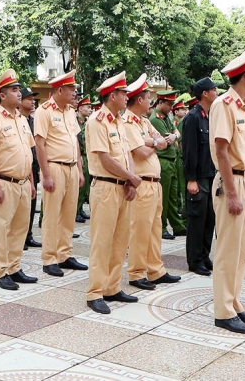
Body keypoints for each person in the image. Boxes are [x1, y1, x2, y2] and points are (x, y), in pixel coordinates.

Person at [209, 47, 245, 334]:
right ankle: (223, 311)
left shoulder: (242, 105)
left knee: (241, 251)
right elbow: (221, 151)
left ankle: (234, 303)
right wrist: (232, 193)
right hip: (231, 181)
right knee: (228, 250)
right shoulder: (224, 105)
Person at [84, 71, 140, 315]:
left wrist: (130, 180)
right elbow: (105, 159)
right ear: (112, 95)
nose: (127, 96)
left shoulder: (118, 121)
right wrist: (131, 177)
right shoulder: (97, 121)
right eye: (123, 93)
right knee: (102, 241)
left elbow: (127, 154)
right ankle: (95, 292)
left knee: (120, 240)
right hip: (105, 186)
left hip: (122, 186)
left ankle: (112, 286)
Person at [0, 70, 38, 291]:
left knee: (20, 228)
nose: (19, 93)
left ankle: (15, 267)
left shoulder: (22, 120)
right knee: (0, 229)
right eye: (14, 90)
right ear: (3, 95)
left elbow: (28, 152)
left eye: (18, 89)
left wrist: (31, 181)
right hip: (4, 182)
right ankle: (0, 272)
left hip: (23, 182)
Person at [123, 74, 180, 290]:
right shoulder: (128, 122)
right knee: (140, 229)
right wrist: (155, 142)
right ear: (139, 100)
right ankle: (136, 272)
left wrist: (152, 142)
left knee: (155, 228)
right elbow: (141, 152)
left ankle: (156, 270)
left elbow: (163, 142)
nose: (151, 102)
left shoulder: (144, 121)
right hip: (142, 183)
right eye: (148, 98)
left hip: (155, 183)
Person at [34, 70, 88, 277]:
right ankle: (49, 258)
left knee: (68, 213)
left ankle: (65, 254)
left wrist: (79, 170)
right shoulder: (44, 111)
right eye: (71, 88)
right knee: (52, 214)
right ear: (59, 90)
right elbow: (40, 144)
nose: (74, 92)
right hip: (54, 166)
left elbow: (75, 142)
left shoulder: (70, 111)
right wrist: (46, 175)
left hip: (72, 167)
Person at [180, 77, 219, 276]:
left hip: (211, 175)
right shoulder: (193, 117)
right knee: (197, 220)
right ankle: (195, 260)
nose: (217, 93)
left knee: (209, 219)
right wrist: (191, 179)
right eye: (214, 90)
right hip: (198, 177)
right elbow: (189, 151)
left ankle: (204, 255)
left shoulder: (209, 116)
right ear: (205, 94)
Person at [150, 90, 186, 240]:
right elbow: (166, 141)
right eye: (169, 104)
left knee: (172, 197)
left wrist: (174, 136)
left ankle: (177, 226)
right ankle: (162, 226)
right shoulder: (156, 119)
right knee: (163, 197)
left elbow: (176, 134)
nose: (171, 108)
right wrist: (174, 137)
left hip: (171, 161)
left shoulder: (165, 117)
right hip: (163, 160)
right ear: (160, 103)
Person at [19, 87, 43, 249]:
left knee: (31, 203)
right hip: (20, 168)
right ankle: (19, 237)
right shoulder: (17, 120)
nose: (33, 101)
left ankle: (28, 235)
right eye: (29, 99)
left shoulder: (33, 121)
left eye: (33, 99)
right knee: (19, 206)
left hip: (33, 166)